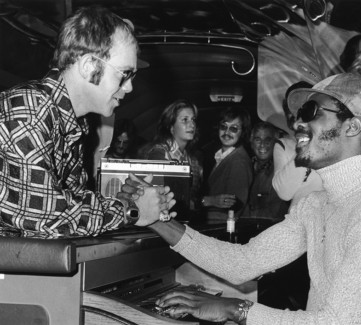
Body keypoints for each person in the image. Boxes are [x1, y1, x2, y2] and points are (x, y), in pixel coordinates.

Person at [122, 73, 361, 324]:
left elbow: (333, 322)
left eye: (311, 111)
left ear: (352, 126)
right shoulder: (315, 206)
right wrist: (157, 219)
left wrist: (235, 309)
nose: (297, 122)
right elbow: (241, 263)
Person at [0, 6, 175, 238]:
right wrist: (131, 211)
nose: (130, 87)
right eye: (124, 74)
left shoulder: (73, 122)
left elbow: (73, 201)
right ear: (89, 66)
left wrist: (122, 201)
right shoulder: (29, 111)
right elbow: (48, 217)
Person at [145, 99, 203, 214]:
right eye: (185, 120)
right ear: (171, 127)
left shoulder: (192, 159)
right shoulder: (159, 153)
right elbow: (158, 196)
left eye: (193, 120)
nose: (192, 125)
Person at [273, 81, 323, 209]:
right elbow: (284, 192)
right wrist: (304, 145)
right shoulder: (284, 145)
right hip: (298, 221)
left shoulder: (330, 140)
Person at [200, 107, 253, 224]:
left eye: (234, 129)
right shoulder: (222, 155)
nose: (227, 132)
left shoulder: (239, 161)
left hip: (222, 229)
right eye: (224, 127)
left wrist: (205, 202)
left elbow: (233, 207)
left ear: (243, 132)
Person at [242, 121, 288, 225]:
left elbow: (273, 214)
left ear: (275, 142)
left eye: (268, 140)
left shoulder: (280, 172)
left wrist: (240, 216)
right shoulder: (245, 165)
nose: (262, 145)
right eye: (258, 140)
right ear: (251, 141)